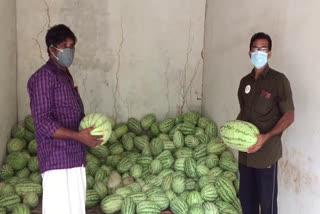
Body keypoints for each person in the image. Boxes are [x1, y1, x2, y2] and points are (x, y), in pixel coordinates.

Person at [27, 24, 103, 214]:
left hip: (75, 157)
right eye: (64, 45)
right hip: (57, 160)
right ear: (51, 49)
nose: (69, 50)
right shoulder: (44, 77)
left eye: (71, 45)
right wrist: (79, 136)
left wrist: (89, 131)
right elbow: (43, 121)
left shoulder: (64, 76)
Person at [237, 32, 295, 214]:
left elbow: (289, 116)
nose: (259, 52)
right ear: (249, 53)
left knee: (267, 206)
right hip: (245, 155)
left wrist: (266, 137)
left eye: (263, 49)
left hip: (266, 156)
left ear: (269, 53)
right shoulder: (244, 82)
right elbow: (243, 113)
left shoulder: (279, 81)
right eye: (255, 49)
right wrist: (230, 133)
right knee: (247, 203)